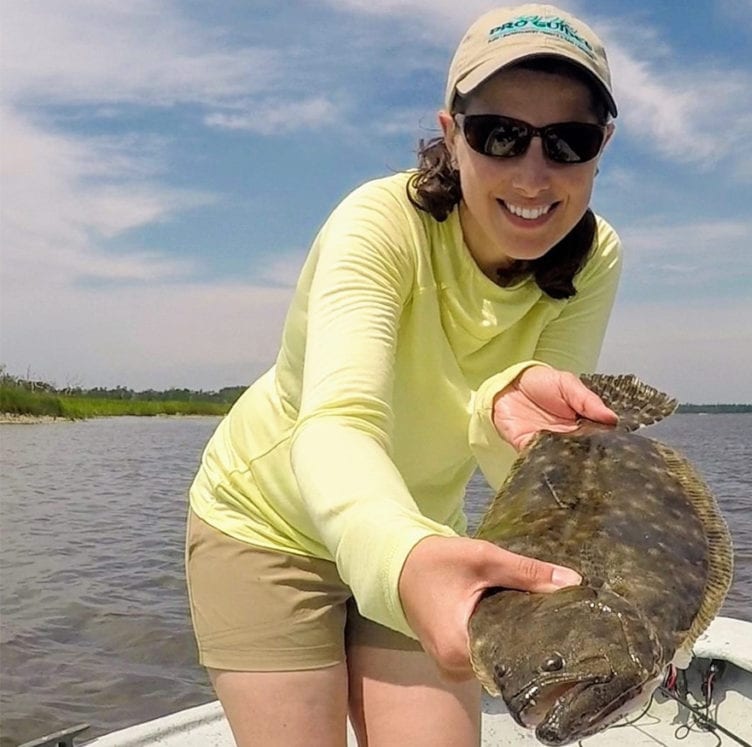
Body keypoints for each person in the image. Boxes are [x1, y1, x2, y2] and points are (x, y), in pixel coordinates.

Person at [184, 4, 622, 745]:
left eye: (568, 141)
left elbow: (526, 460)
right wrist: (404, 557)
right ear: (452, 135)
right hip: (268, 522)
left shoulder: (595, 256)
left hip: (422, 529)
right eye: (501, 135)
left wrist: (505, 410)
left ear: (601, 147)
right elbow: (340, 422)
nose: (534, 174)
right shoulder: (380, 224)